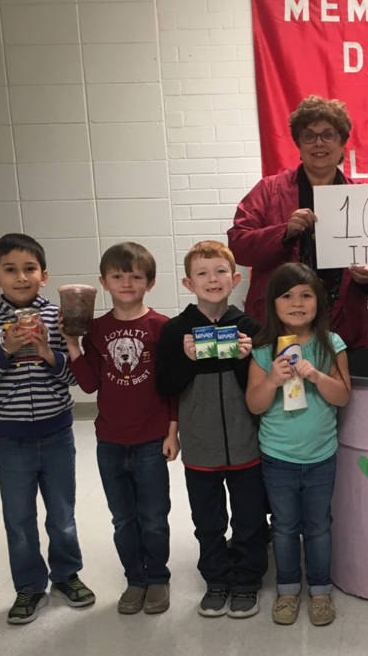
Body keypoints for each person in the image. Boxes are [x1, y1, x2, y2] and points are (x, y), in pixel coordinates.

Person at [0, 233, 95, 625]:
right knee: (19, 519)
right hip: (11, 439)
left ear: (44, 275)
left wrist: (48, 353)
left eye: (29, 269)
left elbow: (75, 378)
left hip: (57, 434)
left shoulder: (58, 317)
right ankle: (29, 586)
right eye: (10, 270)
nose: (21, 277)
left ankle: (67, 576)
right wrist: (5, 349)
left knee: (62, 514)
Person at [227, 94, 368, 350]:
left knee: (341, 378)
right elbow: (238, 245)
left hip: (342, 325)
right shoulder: (268, 190)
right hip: (278, 326)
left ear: (342, 142)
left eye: (328, 135)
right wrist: (283, 233)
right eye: (309, 135)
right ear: (298, 144)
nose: (319, 142)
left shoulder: (364, 197)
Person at [63, 242, 178, 616]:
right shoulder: (95, 330)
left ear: (150, 282)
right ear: (103, 283)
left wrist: (172, 432)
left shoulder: (161, 327)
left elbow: (172, 386)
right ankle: (135, 579)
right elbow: (89, 384)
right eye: (117, 276)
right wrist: (72, 344)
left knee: (154, 517)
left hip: (151, 439)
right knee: (123, 519)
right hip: (110, 441)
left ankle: (157, 577)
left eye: (135, 276)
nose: (126, 282)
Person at [156, 241, 268, 619]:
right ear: (189, 283)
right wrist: (188, 360)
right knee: (208, 522)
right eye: (202, 273)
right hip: (200, 446)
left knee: (249, 520)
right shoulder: (176, 330)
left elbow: (259, 388)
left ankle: (247, 581)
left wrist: (246, 358)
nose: (212, 279)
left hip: (246, 442)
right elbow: (166, 386)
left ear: (234, 279)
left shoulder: (249, 327)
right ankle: (216, 580)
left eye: (220, 271)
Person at [246, 263, 351, 627]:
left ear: (319, 302)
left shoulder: (330, 344)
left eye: (306, 295)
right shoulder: (263, 349)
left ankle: (321, 590)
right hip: (278, 457)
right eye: (287, 295)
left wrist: (317, 375)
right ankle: (288, 589)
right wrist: (273, 380)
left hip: (321, 456)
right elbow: (254, 404)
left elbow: (343, 396)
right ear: (272, 303)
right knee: (285, 527)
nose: (297, 303)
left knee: (319, 526)